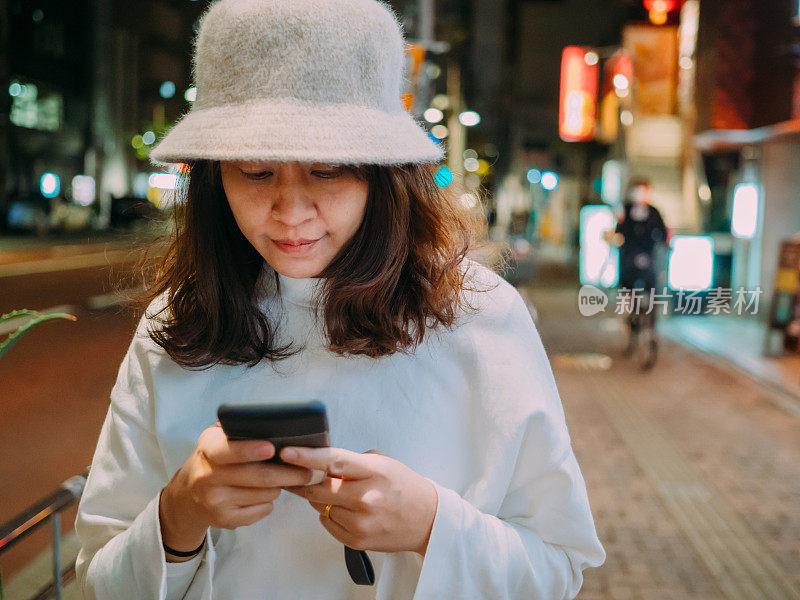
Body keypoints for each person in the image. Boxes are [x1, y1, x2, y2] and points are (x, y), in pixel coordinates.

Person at [74, 1, 605, 598]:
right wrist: (178, 517)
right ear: (213, 176)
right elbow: (98, 579)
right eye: (255, 172)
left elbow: (560, 566)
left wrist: (432, 525)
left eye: (328, 171)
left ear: (384, 176)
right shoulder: (178, 322)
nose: (291, 212)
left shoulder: (479, 316)